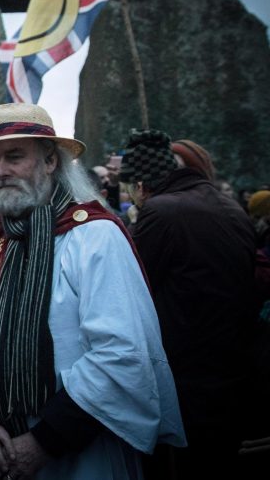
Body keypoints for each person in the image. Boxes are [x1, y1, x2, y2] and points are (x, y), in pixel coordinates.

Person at [0, 103, 184, 479]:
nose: (1, 171)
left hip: (84, 447)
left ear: (51, 161)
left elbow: (121, 354)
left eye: (15, 156)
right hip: (7, 446)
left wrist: (44, 441)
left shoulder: (94, 236)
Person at [121, 129, 258, 478]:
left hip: (185, 372)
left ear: (140, 186)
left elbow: (133, 285)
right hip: (234, 365)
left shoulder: (160, 211)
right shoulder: (231, 207)